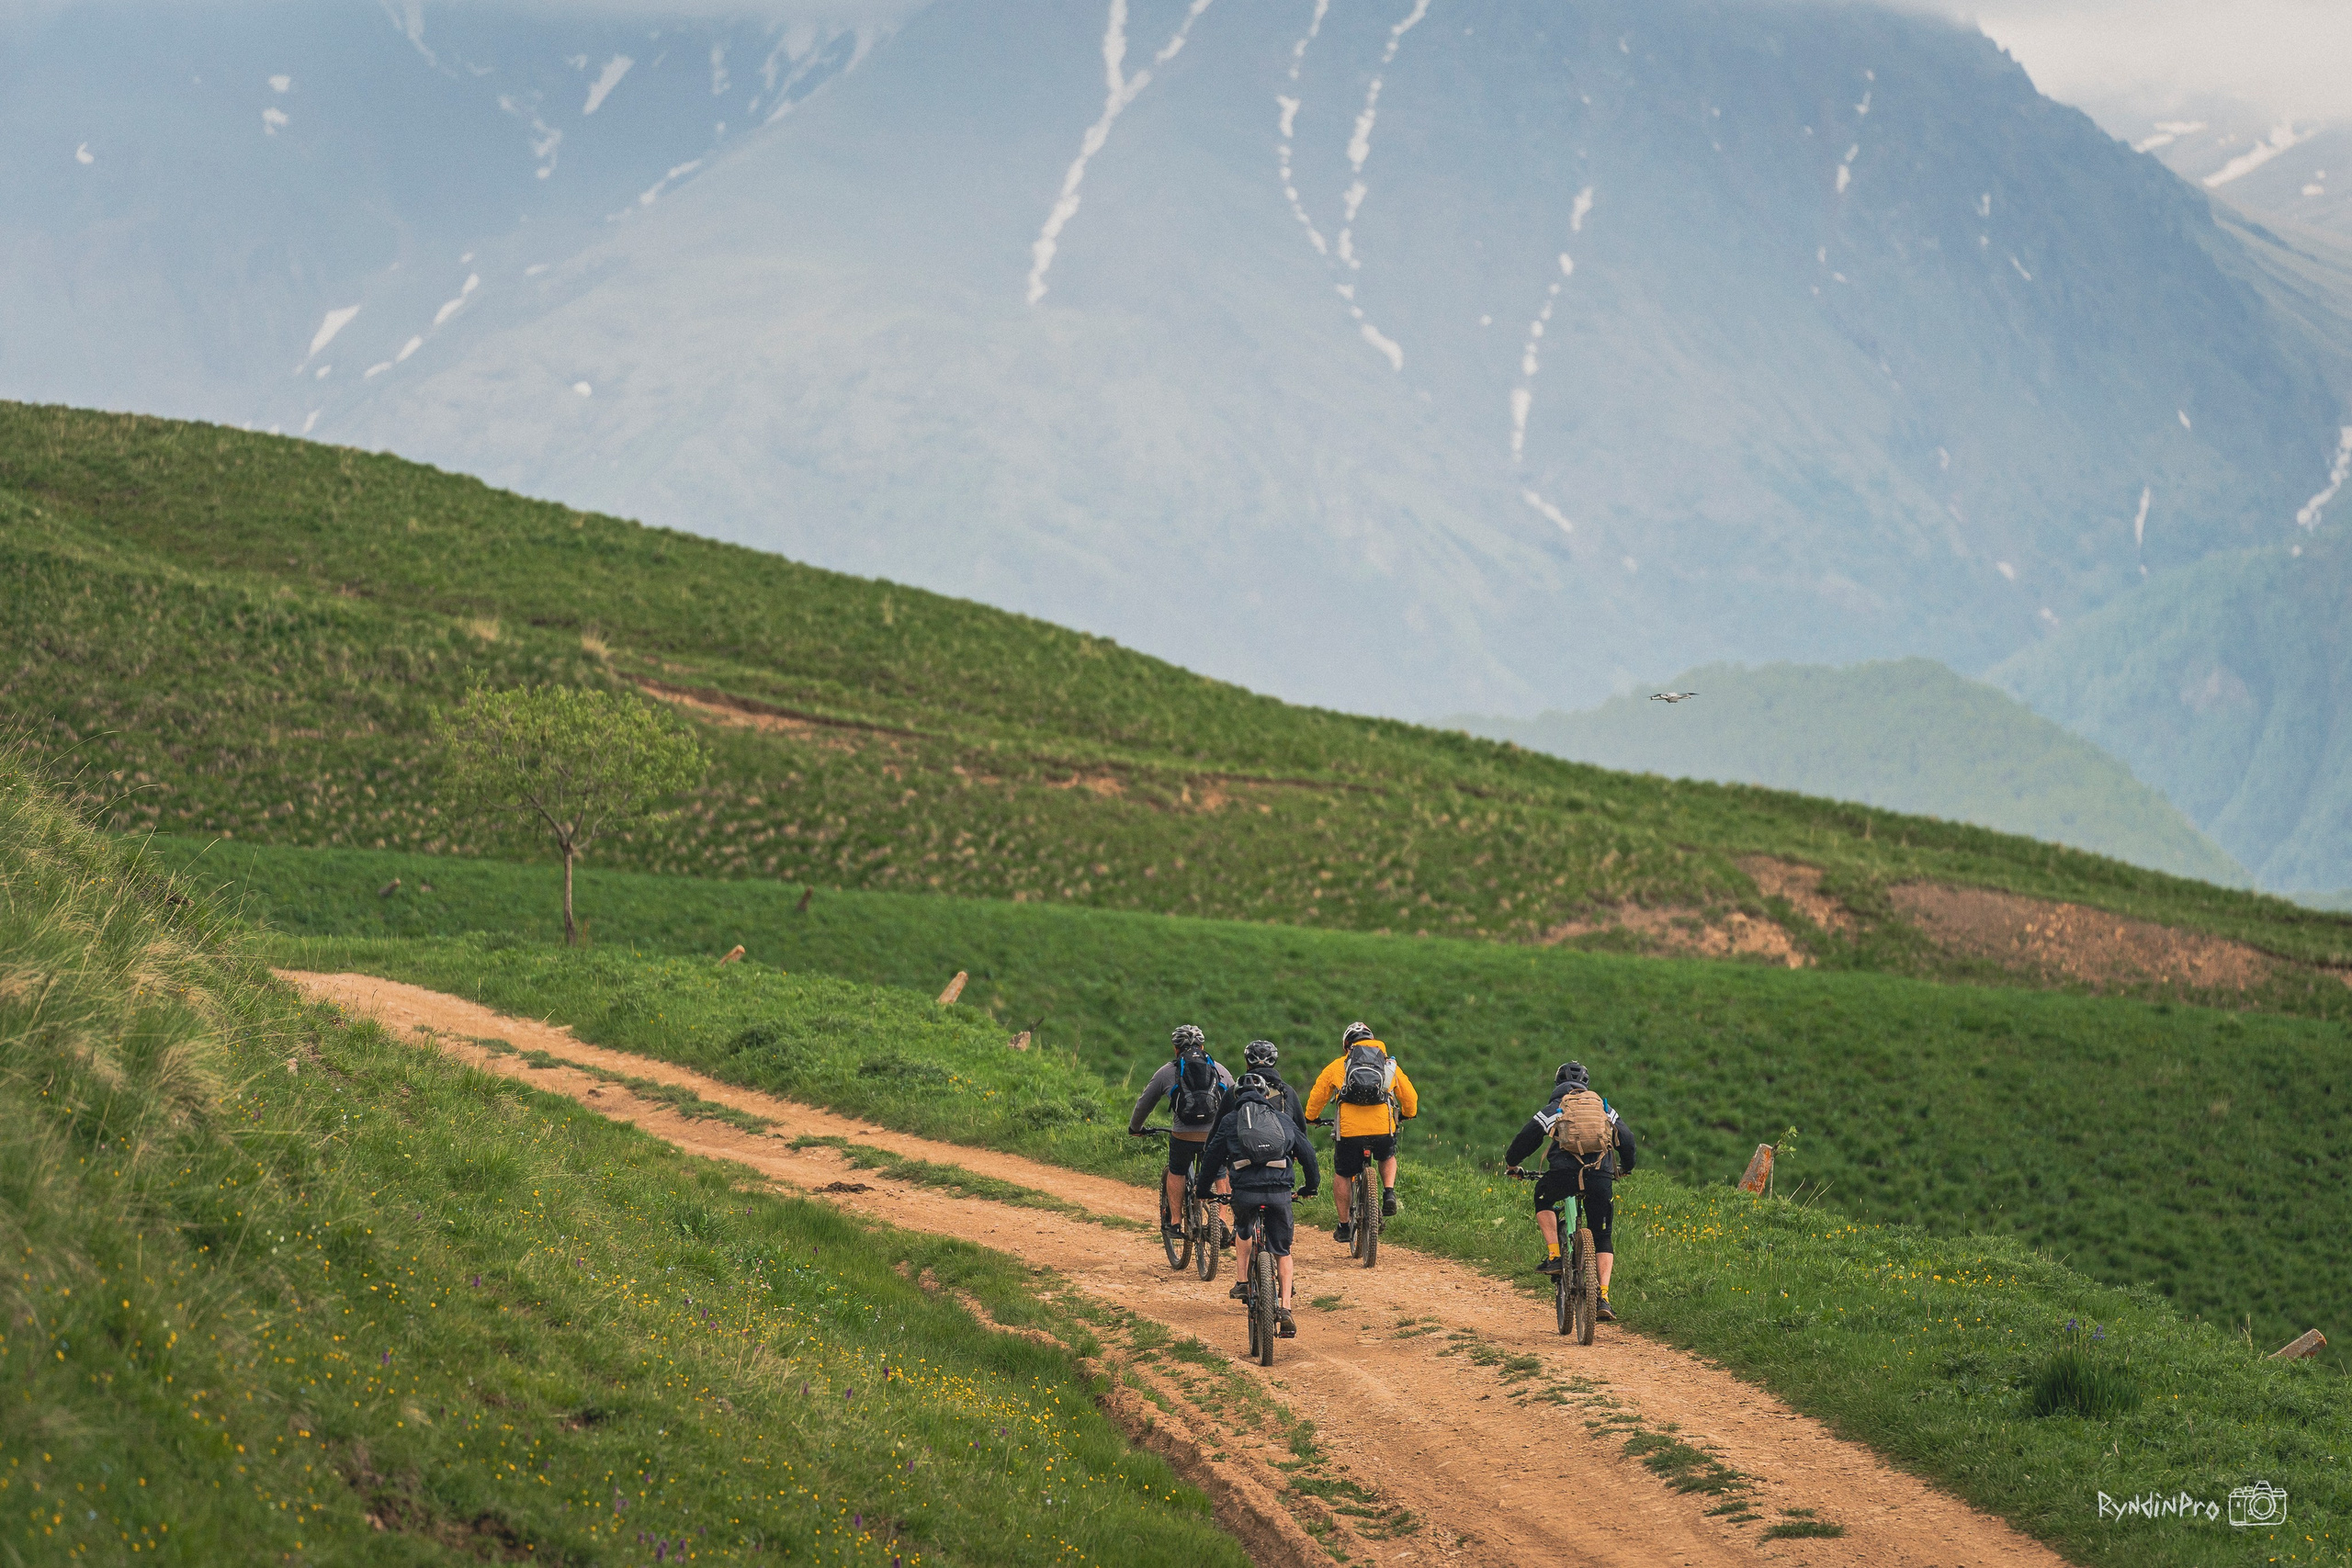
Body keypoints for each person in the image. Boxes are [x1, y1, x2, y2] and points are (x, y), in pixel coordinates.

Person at [1503, 1061, 1637, 1322]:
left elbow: (1528, 1136)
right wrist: (1626, 1167)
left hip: (1563, 1175)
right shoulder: (1604, 1108)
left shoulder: (1557, 1107)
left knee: (1542, 1197)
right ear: (1586, 1084)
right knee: (1603, 1235)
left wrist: (1512, 1163)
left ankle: (1554, 1256)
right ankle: (1604, 1298)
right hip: (1601, 1176)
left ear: (1558, 1084)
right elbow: (1628, 1139)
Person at [1203, 1073, 1320, 1333]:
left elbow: (1211, 1157)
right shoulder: (1283, 1120)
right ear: (1267, 1096)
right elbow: (1308, 1154)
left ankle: (1243, 1281)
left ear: (1236, 1099)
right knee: (1283, 1250)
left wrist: (1203, 1190)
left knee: (1244, 1230)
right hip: (1279, 1194)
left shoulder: (1231, 1121)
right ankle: (1286, 1307)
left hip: (1244, 1194)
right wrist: (1310, 1187)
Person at [1302, 1021, 1418, 1245]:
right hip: (1383, 1129)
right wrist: (1408, 1114)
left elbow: (1317, 1096)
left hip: (1349, 1133)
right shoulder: (1389, 1065)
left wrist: (1311, 1117)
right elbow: (1410, 1098)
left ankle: (1344, 1226)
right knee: (1387, 1156)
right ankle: (1389, 1193)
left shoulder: (1338, 1065)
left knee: (1343, 1173)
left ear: (1347, 1045)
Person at [1127, 1024, 1237, 1238]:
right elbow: (1235, 1100)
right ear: (1202, 1045)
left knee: (1177, 1171)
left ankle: (1176, 1223)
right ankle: (1221, 1220)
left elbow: (1144, 1103)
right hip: (1212, 1136)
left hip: (1183, 1135)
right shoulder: (1220, 1070)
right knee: (1221, 1172)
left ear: (1176, 1049)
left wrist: (1135, 1128)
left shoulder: (1167, 1072)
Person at [1243, 1039, 1311, 1138]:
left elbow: (1219, 1129)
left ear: (1248, 1064)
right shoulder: (1287, 1091)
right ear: (1273, 1063)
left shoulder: (1235, 1091)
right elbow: (1301, 1129)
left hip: (1242, 1150)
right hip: (1279, 1150)